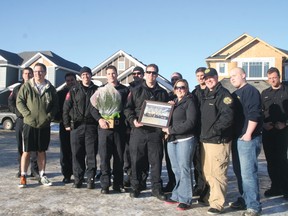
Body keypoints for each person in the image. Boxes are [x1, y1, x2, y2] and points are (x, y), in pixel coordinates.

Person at [124, 63, 168, 200]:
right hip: (139, 131)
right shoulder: (136, 91)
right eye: (149, 72)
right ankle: (136, 186)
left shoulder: (162, 93)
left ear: (157, 75)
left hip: (155, 133)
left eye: (154, 73)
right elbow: (127, 109)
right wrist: (133, 121)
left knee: (156, 161)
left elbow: (167, 112)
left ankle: (156, 188)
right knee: (136, 161)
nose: (151, 75)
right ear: (145, 74)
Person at [16, 63, 59, 187]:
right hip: (29, 124)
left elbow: (55, 105)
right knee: (27, 151)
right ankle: (23, 176)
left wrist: (49, 117)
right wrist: (27, 114)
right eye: (35, 71)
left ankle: (42, 175)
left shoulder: (50, 88)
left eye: (40, 71)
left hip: (44, 125)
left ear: (45, 73)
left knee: (41, 151)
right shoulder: (27, 86)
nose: (37, 74)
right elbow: (19, 101)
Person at [200, 68, 233, 214]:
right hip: (206, 141)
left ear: (217, 77)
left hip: (218, 141)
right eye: (206, 78)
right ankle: (211, 196)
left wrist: (214, 131)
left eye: (211, 77)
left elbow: (227, 117)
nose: (208, 80)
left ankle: (217, 203)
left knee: (218, 173)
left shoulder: (224, 95)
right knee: (207, 172)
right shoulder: (206, 95)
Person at [229, 67, 262, 216]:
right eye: (231, 77)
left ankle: (253, 206)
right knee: (239, 172)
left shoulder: (251, 91)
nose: (232, 78)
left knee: (248, 173)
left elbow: (254, 114)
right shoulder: (235, 94)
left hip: (248, 138)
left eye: (235, 75)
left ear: (243, 75)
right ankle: (245, 199)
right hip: (237, 138)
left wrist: (248, 133)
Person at [93, 65, 130, 194]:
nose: (111, 76)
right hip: (104, 128)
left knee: (119, 157)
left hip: (119, 128)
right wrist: (100, 119)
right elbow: (93, 109)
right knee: (104, 157)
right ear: (106, 75)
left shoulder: (124, 90)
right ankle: (105, 184)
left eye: (113, 73)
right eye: (108, 74)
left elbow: (127, 107)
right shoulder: (101, 90)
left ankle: (118, 184)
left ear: (117, 74)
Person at [162, 79, 198, 210]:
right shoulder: (174, 103)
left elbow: (191, 123)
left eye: (182, 87)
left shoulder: (190, 102)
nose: (180, 90)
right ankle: (177, 195)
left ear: (187, 88)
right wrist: (169, 108)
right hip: (172, 140)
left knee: (184, 169)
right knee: (176, 169)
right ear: (174, 89)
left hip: (185, 139)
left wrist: (171, 130)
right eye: (177, 87)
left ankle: (186, 199)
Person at [62, 66, 98, 189]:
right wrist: (66, 124)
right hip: (76, 127)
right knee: (77, 154)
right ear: (80, 77)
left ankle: (91, 179)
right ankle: (78, 179)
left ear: (91, 76)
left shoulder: (97, 90)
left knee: (91, 154)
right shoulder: (73, 90)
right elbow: (66, 107)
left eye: (87, 75)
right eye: (83, 75)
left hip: (92, 126)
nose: (85, 77)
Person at [261, 67, 288, 200]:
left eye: (274, 77)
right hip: (269, 132)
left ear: (279, 77)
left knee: (282, 160)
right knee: (271, 161)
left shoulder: (287, 91)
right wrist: (263, 124)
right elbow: (260, 112)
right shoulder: (265, 93)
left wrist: (285, 124)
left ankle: (286, 188)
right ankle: (276, 187)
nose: (272, 80)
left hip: (283, 131)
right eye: (270, 78)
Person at [8, 67, 39, 179]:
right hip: (21, 120)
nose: (28, 75)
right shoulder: (17, 89)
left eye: (30, 73)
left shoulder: (36, 87)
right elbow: (10, 102)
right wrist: (17, 112)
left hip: (33, 121)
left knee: (34, 146)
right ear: (22, 75)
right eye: (26, 73)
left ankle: (34, 170)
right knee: (21, 145)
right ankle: (21, 170)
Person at [123, 66, 148, 189]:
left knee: (142, 156)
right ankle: (130, 176)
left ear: (143, 75)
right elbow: (126, 108)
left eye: (139, 73)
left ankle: (142, 180)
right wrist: (129, 123)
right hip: (129, 126)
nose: (136, 75)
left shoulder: (146, 88)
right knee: (129, 155)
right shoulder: (128, 89)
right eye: (134, 73)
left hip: (144, 128)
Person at [162, 72, 182, 193]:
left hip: (183, 135)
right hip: (168, 133)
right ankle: (172, 182)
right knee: (170, 161)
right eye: (173, 79)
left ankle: (183, 186)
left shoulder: (187, 96)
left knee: (182, 164)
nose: (174, 81)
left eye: (177, 79)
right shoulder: (167, 96)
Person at [55, 72, 76, 183]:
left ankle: (77, 172)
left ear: (75, 80)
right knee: (65, 150)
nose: (70, 82)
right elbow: (57, 109)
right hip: (64, 125)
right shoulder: (61, 93)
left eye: (72, 80)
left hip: (77, 125)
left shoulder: (79, 91)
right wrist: (62, 120)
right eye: (68, 80)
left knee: (76, 150)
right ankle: (66, 174)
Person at [191, 67, 207, 198]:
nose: (200, 77)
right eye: (198, 76)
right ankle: (199, 186)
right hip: (197, 132)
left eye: (202, 75)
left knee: (207, 162)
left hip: (208, 131)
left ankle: (207, 187)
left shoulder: (212, 90)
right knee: (197, 162)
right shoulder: (194, 92)